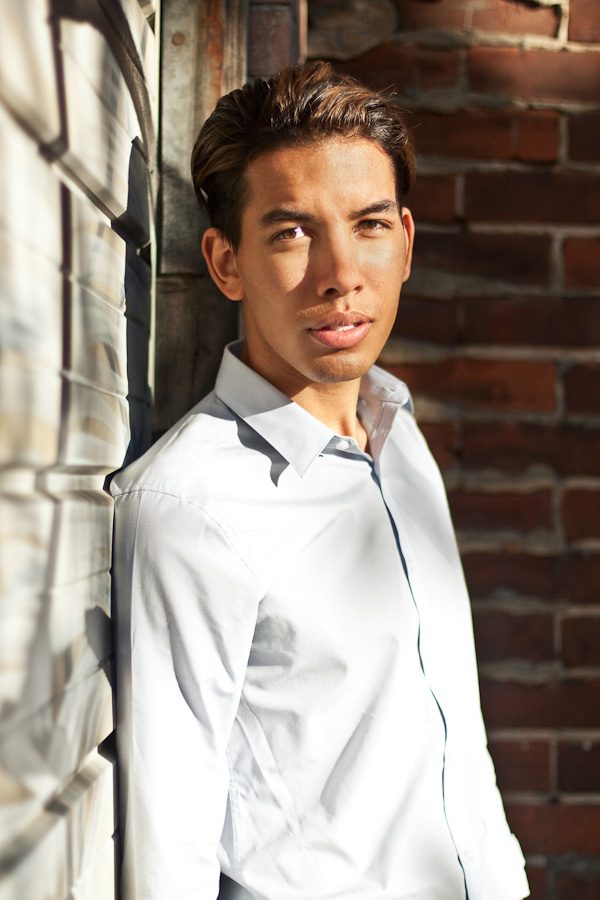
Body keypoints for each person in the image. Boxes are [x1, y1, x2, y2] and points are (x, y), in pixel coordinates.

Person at [111, 61, 529, 900]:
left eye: (368, 224)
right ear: (226, 263)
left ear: (405, 241)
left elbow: (458, 745)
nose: (341, 272)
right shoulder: (188, 506)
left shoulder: (398, 437)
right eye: (292, 232)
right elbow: (169, 842)